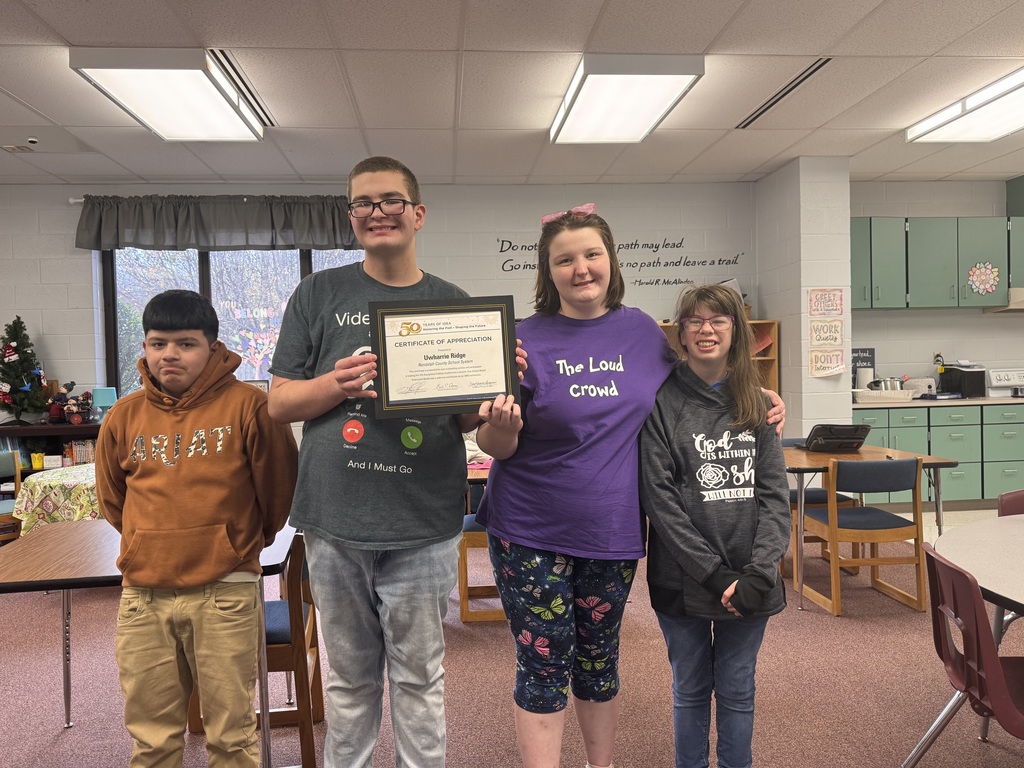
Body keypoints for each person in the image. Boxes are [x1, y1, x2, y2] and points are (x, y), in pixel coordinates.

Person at [473, 208, 785, 768]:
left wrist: (758, 396)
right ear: (548, 271)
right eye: (564, 259)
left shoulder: (641, 331)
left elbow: (695, 383)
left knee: (598, 662)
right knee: (544, 665)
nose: (581, 268)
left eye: (591, 254)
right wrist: (502, 426)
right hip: (529, 528)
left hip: (611, 531)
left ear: (611, 261)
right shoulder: (520, 338)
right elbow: (495, 446)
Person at [267, 156, 524, 767]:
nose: (377, 212)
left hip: (423, 523)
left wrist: (496, 394)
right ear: (351, 215)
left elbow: (467, 420)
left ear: (418, 213)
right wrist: (335, 384)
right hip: (334, 519)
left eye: (390, 201)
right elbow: (279, 403)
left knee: (419, 678)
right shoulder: (318, 293)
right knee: (349, 680)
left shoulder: (453, 304)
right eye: (363, 202)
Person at [94, 289, 299, 767]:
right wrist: (147, 543)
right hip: (143, 595)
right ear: (145, 347)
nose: (170, 354)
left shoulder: (251, 407)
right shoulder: (123, 416)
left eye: (185, 343)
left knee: (231, 737)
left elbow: (278, 492)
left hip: (225, 591)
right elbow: (113, 500)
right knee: (152, 740)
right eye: (158, 343)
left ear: (212, 347)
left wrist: (235, 546)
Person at [639, 283, 791, 768]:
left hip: (751, 580)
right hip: (682, 579)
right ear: (681, 333)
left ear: (735, 330)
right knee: (689, 689)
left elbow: (774, 498)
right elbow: (660, 500)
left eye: (718, 320)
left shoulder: (757, 404)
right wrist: (714, 574)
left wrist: (760, 572)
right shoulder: (660, 403)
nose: (707, 329)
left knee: (738, 688)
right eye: (695, 321)